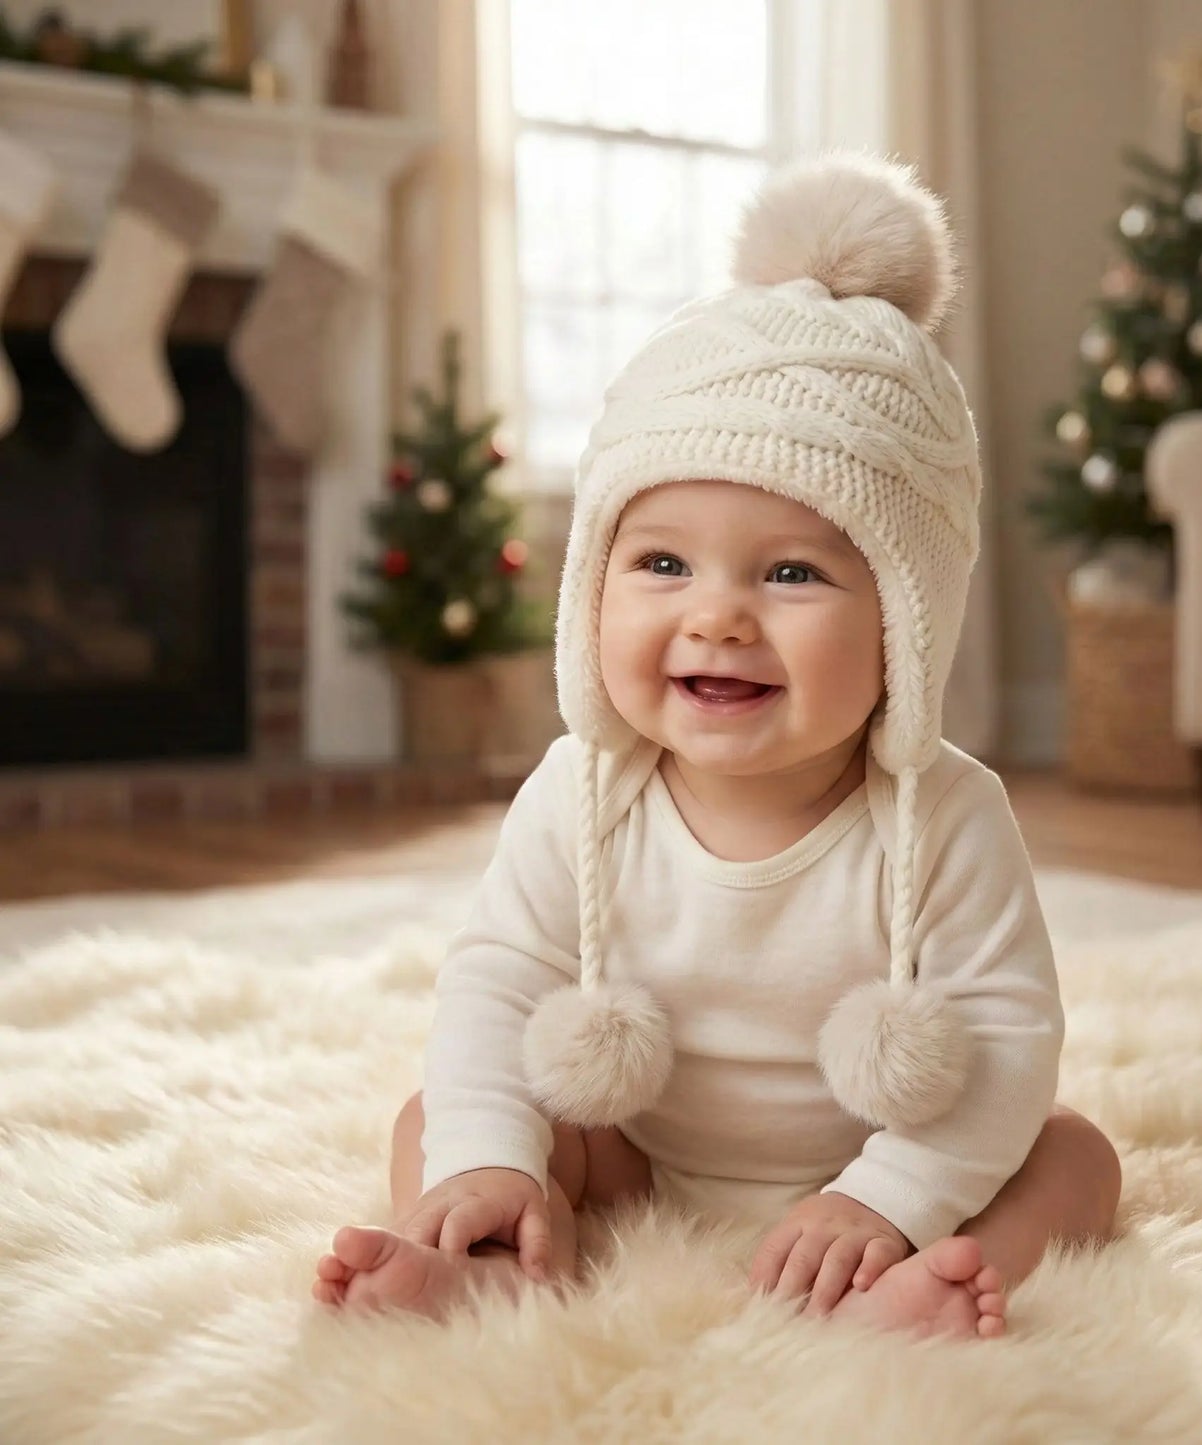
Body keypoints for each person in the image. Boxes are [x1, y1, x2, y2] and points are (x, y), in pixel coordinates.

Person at [313, 152, 1121, 1340]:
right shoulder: (581, 794)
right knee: (440, 1110)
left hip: (878, 1162)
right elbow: (498, 980)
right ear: (592, 588)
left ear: (905, 620)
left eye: (791, 571)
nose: (716, 614)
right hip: (637, 1150)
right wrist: (490, 1156)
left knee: (1070, 1156)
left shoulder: (945, 814)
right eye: (661, 563)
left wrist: (887, 1197)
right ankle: (493, 1249)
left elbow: (1003, 1036)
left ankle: (924, 1283)